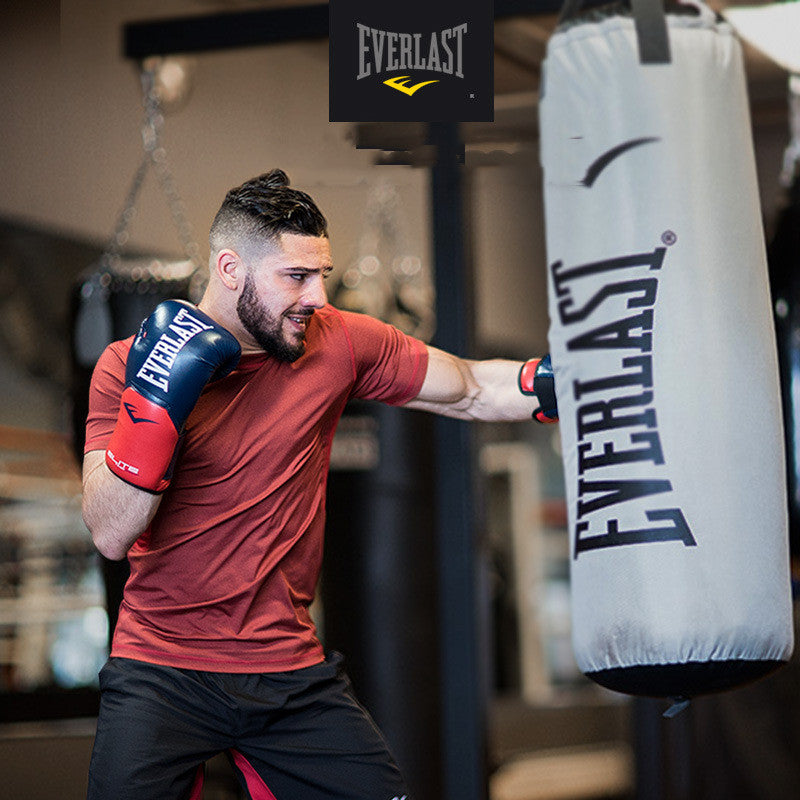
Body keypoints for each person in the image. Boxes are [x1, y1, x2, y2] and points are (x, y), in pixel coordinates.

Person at [82, 169, 557, 800]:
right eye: (296, 277)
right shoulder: (126, 365)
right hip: (161, 667)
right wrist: (160, 403)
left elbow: (470, 390)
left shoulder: (338, 342)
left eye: (323, 275)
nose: (317, 297)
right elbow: (111, 533)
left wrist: (574, 382)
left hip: (288, 671)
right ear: (231, 269)